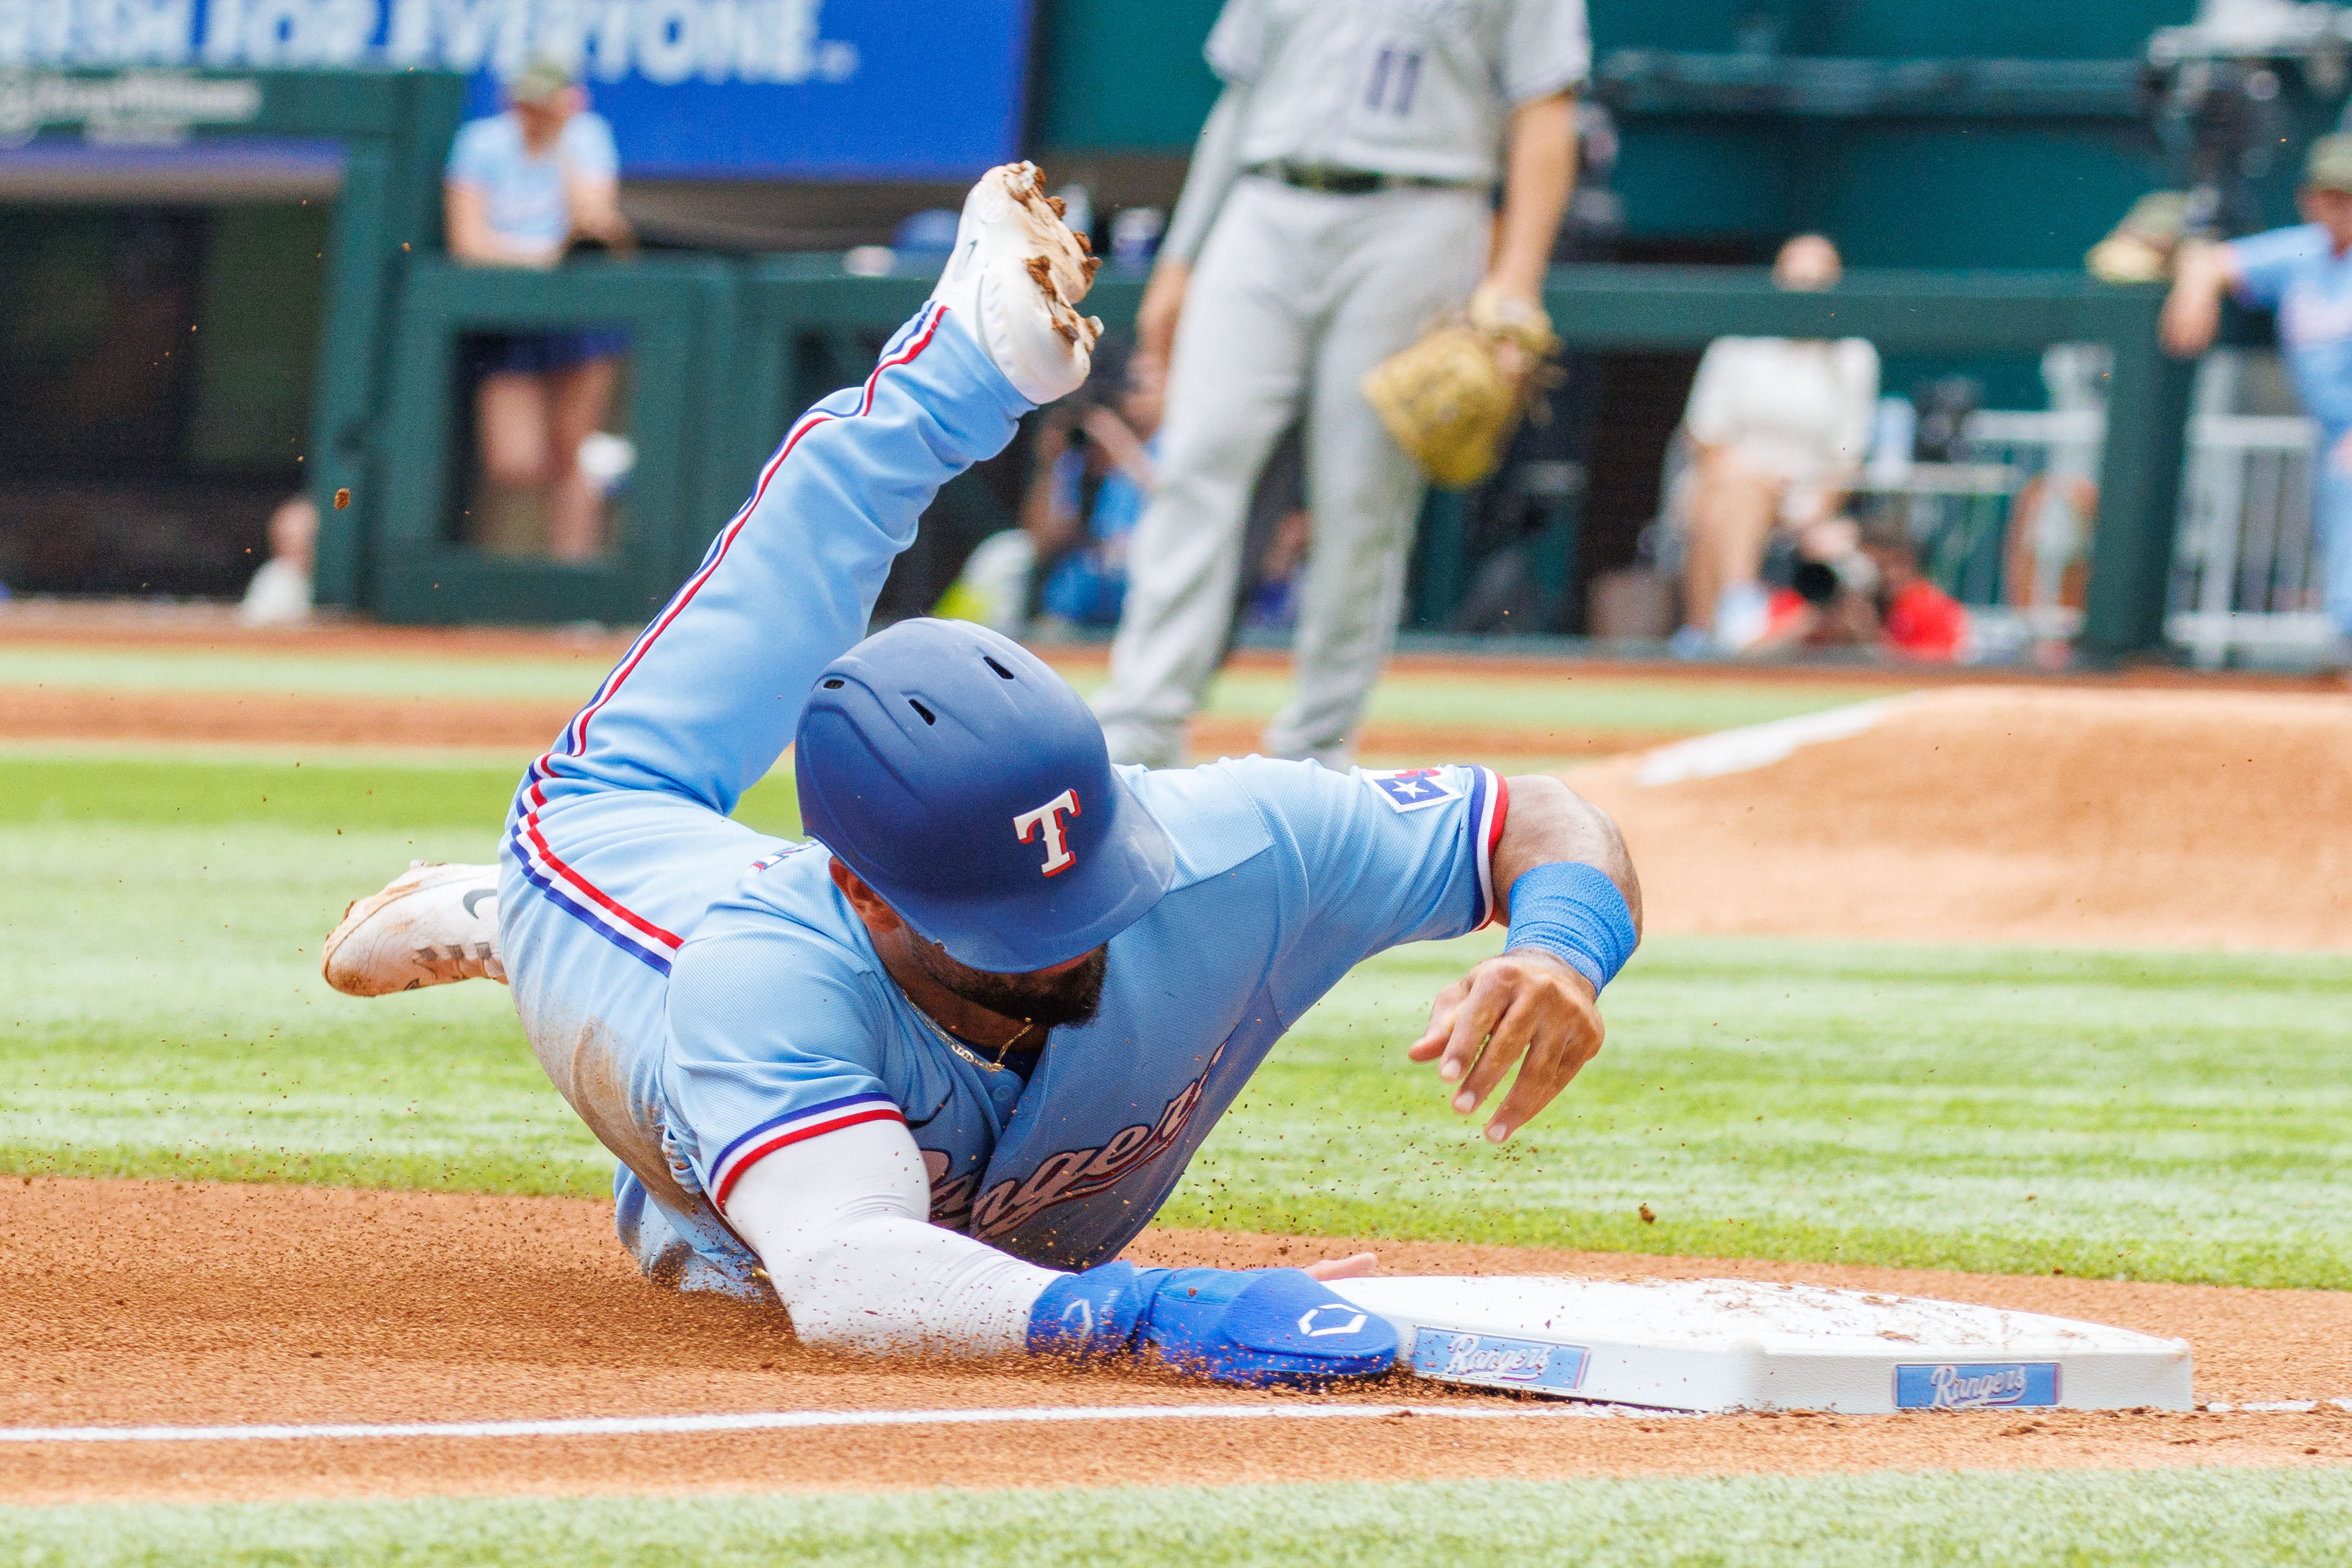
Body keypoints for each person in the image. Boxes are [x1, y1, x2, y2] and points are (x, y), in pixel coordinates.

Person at [319, 164, 1640, 1385]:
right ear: (868, 898)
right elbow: (847, 1276)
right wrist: (1149, 1313)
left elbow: (1541, 815)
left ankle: (966, 361)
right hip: (624, 897)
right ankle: (509, 914)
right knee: (788, 592)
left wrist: (1564, 947)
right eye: (1020, 930)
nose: (1081, 938)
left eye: (1093, 886)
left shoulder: (1234, 844)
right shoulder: (768, 980)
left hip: (808, 993)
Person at [1089, 0, 1588, 769]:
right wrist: (1181, 258)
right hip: (1263, 203)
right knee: (1197, 457)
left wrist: (1515, 281)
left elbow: (1545, 111)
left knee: (1361, 501)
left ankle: (1315, 751)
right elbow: (1240, 97)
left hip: (1422, 210)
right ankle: (1139, 731)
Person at [2162, 134, 2352, 672]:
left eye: (2350, 196)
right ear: (2308, 197)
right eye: (2329, 194)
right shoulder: (2303, 252)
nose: (2338, 206)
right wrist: (2194, 289)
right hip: (2334, 433)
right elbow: (2208, 259)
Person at [444, 58, 636, 563]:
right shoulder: (480, 142)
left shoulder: (587, 136)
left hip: (578, 315)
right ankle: (502, 583)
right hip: (508, 316)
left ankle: (571, 590)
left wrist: (564, 138)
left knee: (573, 454)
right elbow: (468, 243)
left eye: (544, 101)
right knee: (514, 462)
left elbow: (595, 228)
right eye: (525, 101)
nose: (532, 112)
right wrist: (548, 259)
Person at [1673, 235, 1880, 655]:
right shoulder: (1736, 345)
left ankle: (1712, 634)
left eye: (1817, 283)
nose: (1804, 294)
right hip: (1731, 482)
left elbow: (1848, 456)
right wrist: (1753, 481)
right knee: (1725, 495)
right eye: (1794, 281)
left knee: (1727, 499)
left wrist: (1815, 509)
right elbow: (1706, 438)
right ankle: (1733, 619)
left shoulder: (1855, 356)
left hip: (1810, 497)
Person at [237, 494, 316, 627]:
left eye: (305, 539)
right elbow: (251, 624)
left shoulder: (340, 580)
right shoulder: (274, 578)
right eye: (285, 539)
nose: (294, 547)